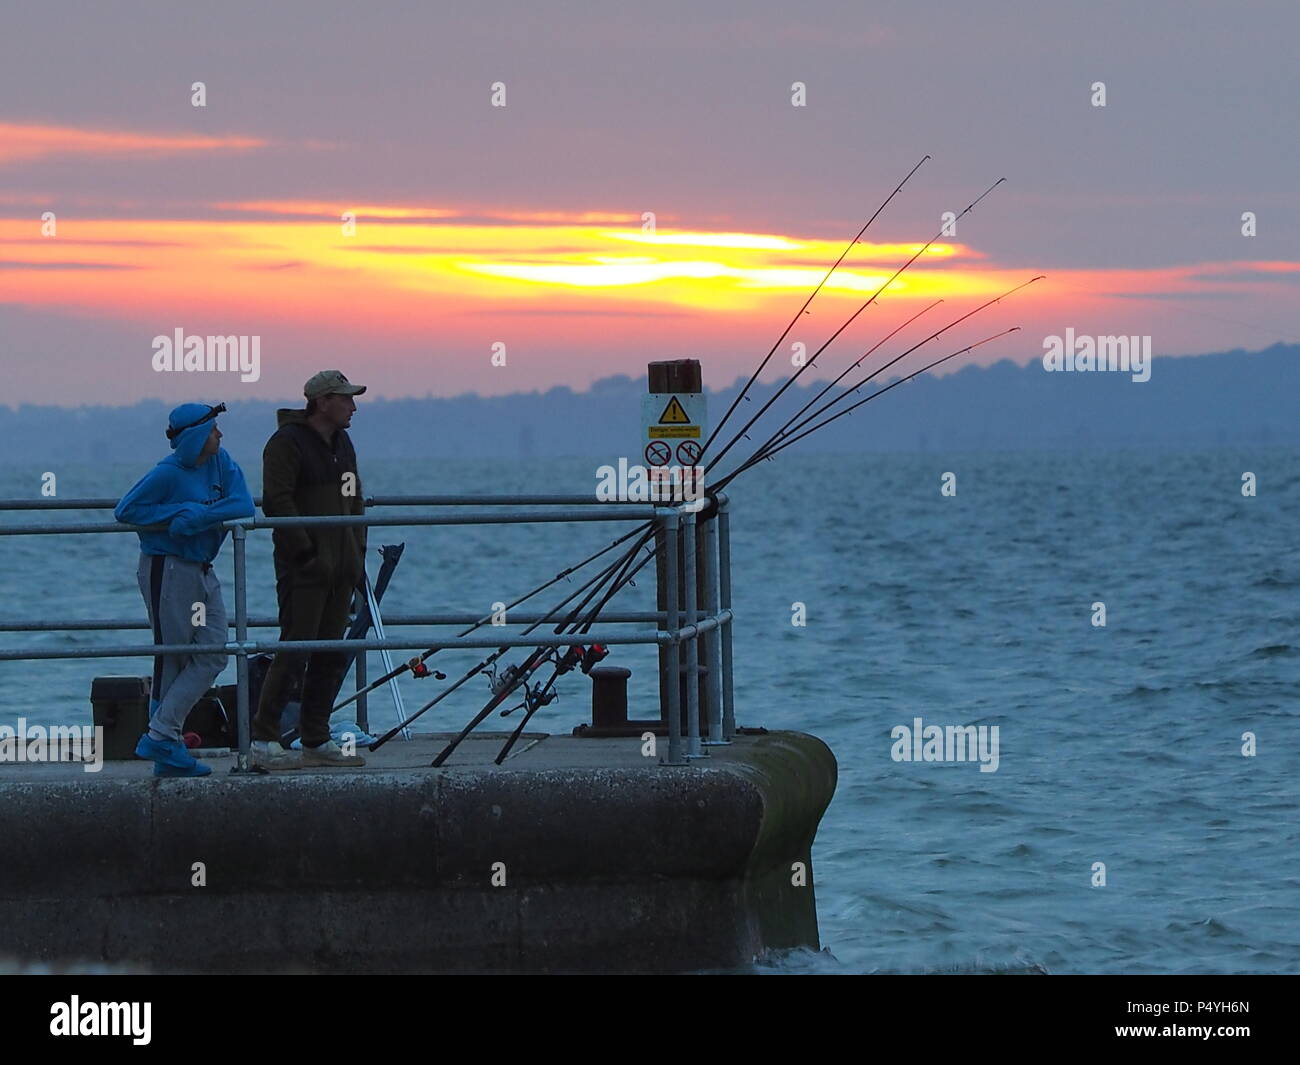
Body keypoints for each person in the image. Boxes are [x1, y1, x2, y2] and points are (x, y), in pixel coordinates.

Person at [115, 402, 253, 777]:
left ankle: (161, 735)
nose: (219, 435)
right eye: (212, 430)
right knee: (172, 656)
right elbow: (126, 510)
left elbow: (244, 504)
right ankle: (165, 746)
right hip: (168, 568)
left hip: (204, 570)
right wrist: (176, 515)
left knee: (214, 652)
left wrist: (200, 515)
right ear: (194, 436)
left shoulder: (221, 462)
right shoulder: (167, 473)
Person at [252, 370, 368, 769]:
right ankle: (264, 738)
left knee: (331, 653)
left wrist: (357, 554)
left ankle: (315, 737)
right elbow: (277, 501)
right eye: (346, 398)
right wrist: (306, 554)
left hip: (342, 567)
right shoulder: (286, 444)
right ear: (322, 401)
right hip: (304, 569)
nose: (353, 406)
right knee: (294, 649)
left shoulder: (344, 443)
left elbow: (355, 500)